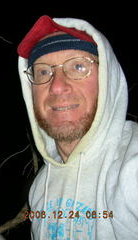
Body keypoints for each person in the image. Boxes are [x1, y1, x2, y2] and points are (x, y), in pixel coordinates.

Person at [17, 15, 138, 239]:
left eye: (78, 66)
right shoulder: (41, 188)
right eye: (43, 71)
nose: (57, 86)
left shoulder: (131, 168)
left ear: (107, 79)